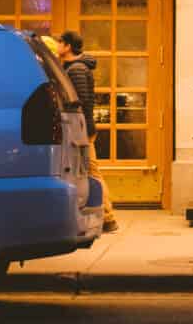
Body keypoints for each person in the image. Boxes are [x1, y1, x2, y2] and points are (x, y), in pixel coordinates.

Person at [57, 30, 118, 233]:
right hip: (82, 127)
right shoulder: (74, 68)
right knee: (88, 170)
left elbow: (79, 103)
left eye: (60, 42)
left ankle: (108, 217)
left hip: (82, 128)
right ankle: (105, 216)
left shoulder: (76, 70)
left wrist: (77, 128)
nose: (57, 46)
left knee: (92, 171)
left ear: (67, 46)